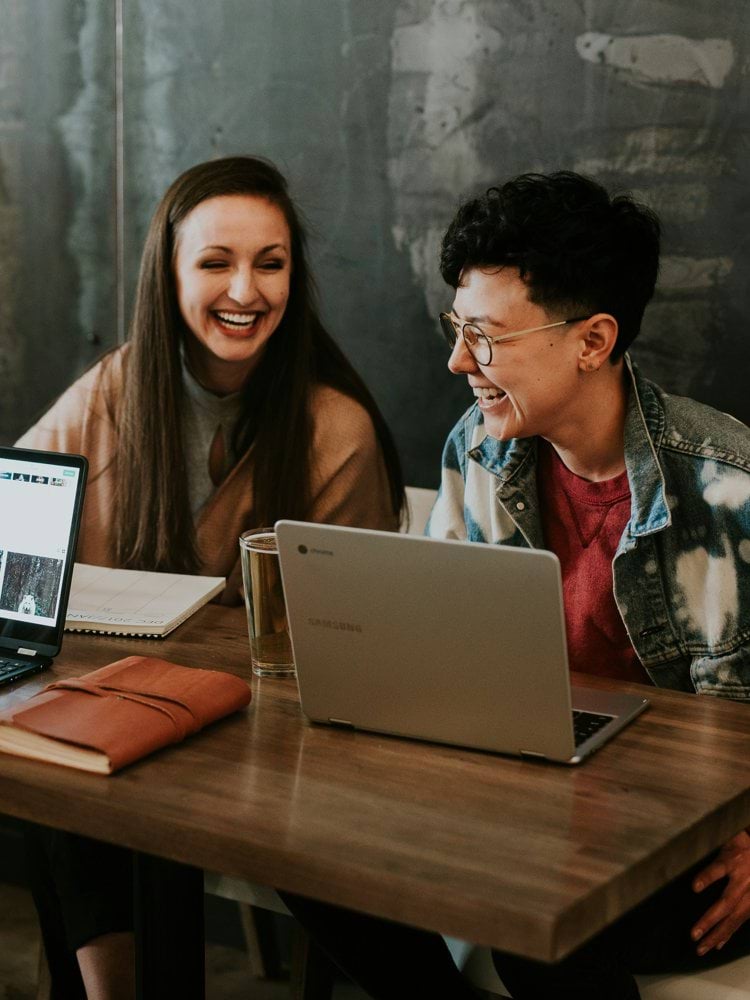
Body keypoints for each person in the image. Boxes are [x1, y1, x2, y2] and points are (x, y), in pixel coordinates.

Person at [281, 171, 750, 999]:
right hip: (529, 807)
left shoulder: (728, 486)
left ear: (593, 341)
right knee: (299, 846)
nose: (459, 360)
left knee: (542, 917)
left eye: (486, 337)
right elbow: (434, 656)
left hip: (693, 849)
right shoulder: (479, 450)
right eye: (456, 328)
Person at [18, 154, 405, 1000]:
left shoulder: (333, 428)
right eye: (215, 262)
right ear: (170, 273)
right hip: (123, 717)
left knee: (70, 775)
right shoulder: (119, 386)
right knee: (55, 770)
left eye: (270, 263)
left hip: (266, 745)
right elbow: (21, 514)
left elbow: (348, 644)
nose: (246, 290)